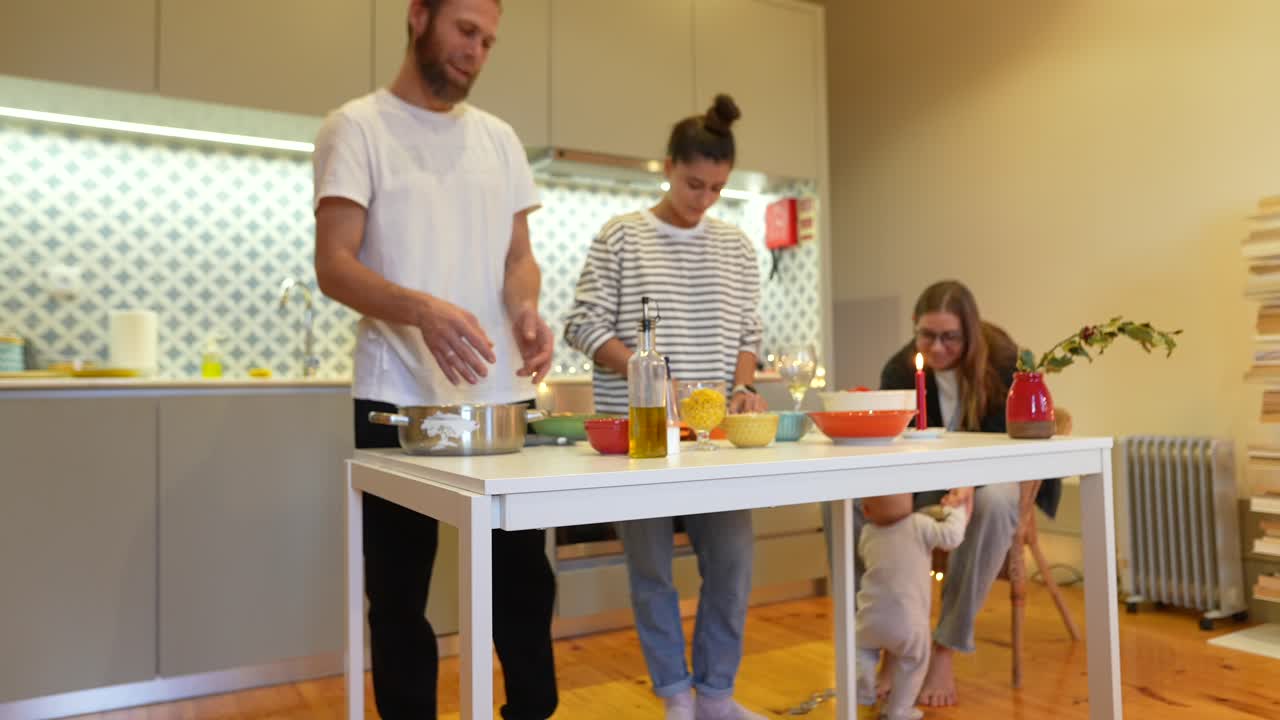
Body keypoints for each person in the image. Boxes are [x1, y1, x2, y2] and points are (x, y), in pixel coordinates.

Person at [312, 0, 557, 717]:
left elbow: (520, 258)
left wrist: (523, 308)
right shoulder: (354, 128)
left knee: (523, 582)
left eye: (487, 40)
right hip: (399, 393)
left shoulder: (500, 139)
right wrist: (421, 308)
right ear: (418, 16)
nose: (477, 51)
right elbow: (334, 265)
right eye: (465, 31)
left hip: (500, 392)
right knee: (398, 595)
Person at [563, 94, 769, 720]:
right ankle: (675, 696)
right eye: (692, 182)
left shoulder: (737, 248)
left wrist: (740, 387)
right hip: (640, 436)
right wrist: (648, 374)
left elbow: (750, 334)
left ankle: (716, 695)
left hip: (713, 440)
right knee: (651, 571)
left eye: (716, 188)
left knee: (731, 566)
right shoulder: (622, 236)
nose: (702, 198)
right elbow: (582, 325)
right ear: (667, 167)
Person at [875, 279, 1062, 707]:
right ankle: (891, 642)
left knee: (995, 502)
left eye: (950, 337)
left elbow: (1011, 443)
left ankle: (944, 648)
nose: (937, 347)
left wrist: (970, 486)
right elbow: (892, 442)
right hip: (930, 482)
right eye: (927, 335)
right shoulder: (900, 369)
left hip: (996, 478)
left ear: (970, 332)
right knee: (878, 511)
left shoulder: (1002, 362)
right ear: (913, 327)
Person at [855, 495, 968, 720]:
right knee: (913, 664)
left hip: (869, 619)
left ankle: (864, 690)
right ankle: (899, 711)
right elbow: (952, 537)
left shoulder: (867, 534)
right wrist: (956, 511)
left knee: (863, 652)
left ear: (866, 511)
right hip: (908, 624)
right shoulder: (919, 524)